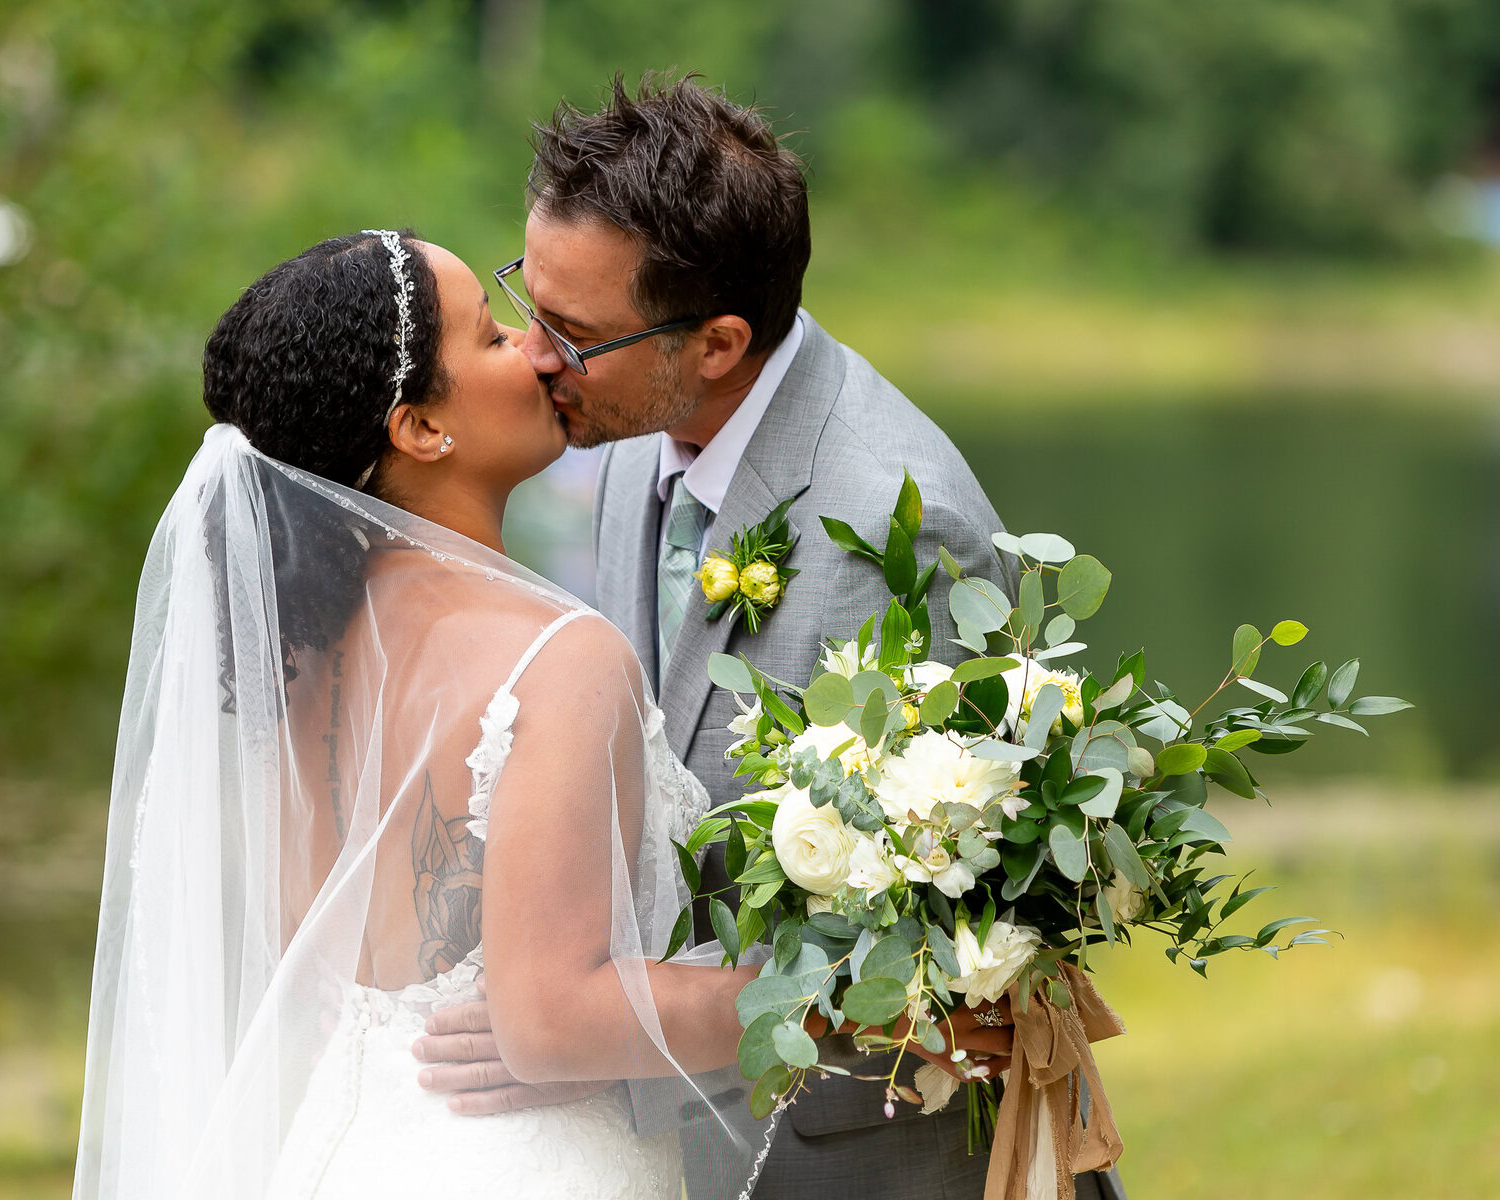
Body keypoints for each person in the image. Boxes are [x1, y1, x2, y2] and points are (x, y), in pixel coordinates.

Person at [410, 75, 1125, 1200]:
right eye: (528, 300)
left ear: (717, 342)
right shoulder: (635, 420)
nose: (537, 357)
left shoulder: (901, 534)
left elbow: (932, 969)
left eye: (573, 333)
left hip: (872, 1163)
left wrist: (585, 1046)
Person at [73, 228, 817, 1200]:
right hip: (527, 1167)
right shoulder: (561, 658)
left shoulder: (296, 667)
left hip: (347, 1154)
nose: (538, 347)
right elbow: (547, 1018)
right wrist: (834, 1005)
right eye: (491, 338)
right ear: (421, 427)